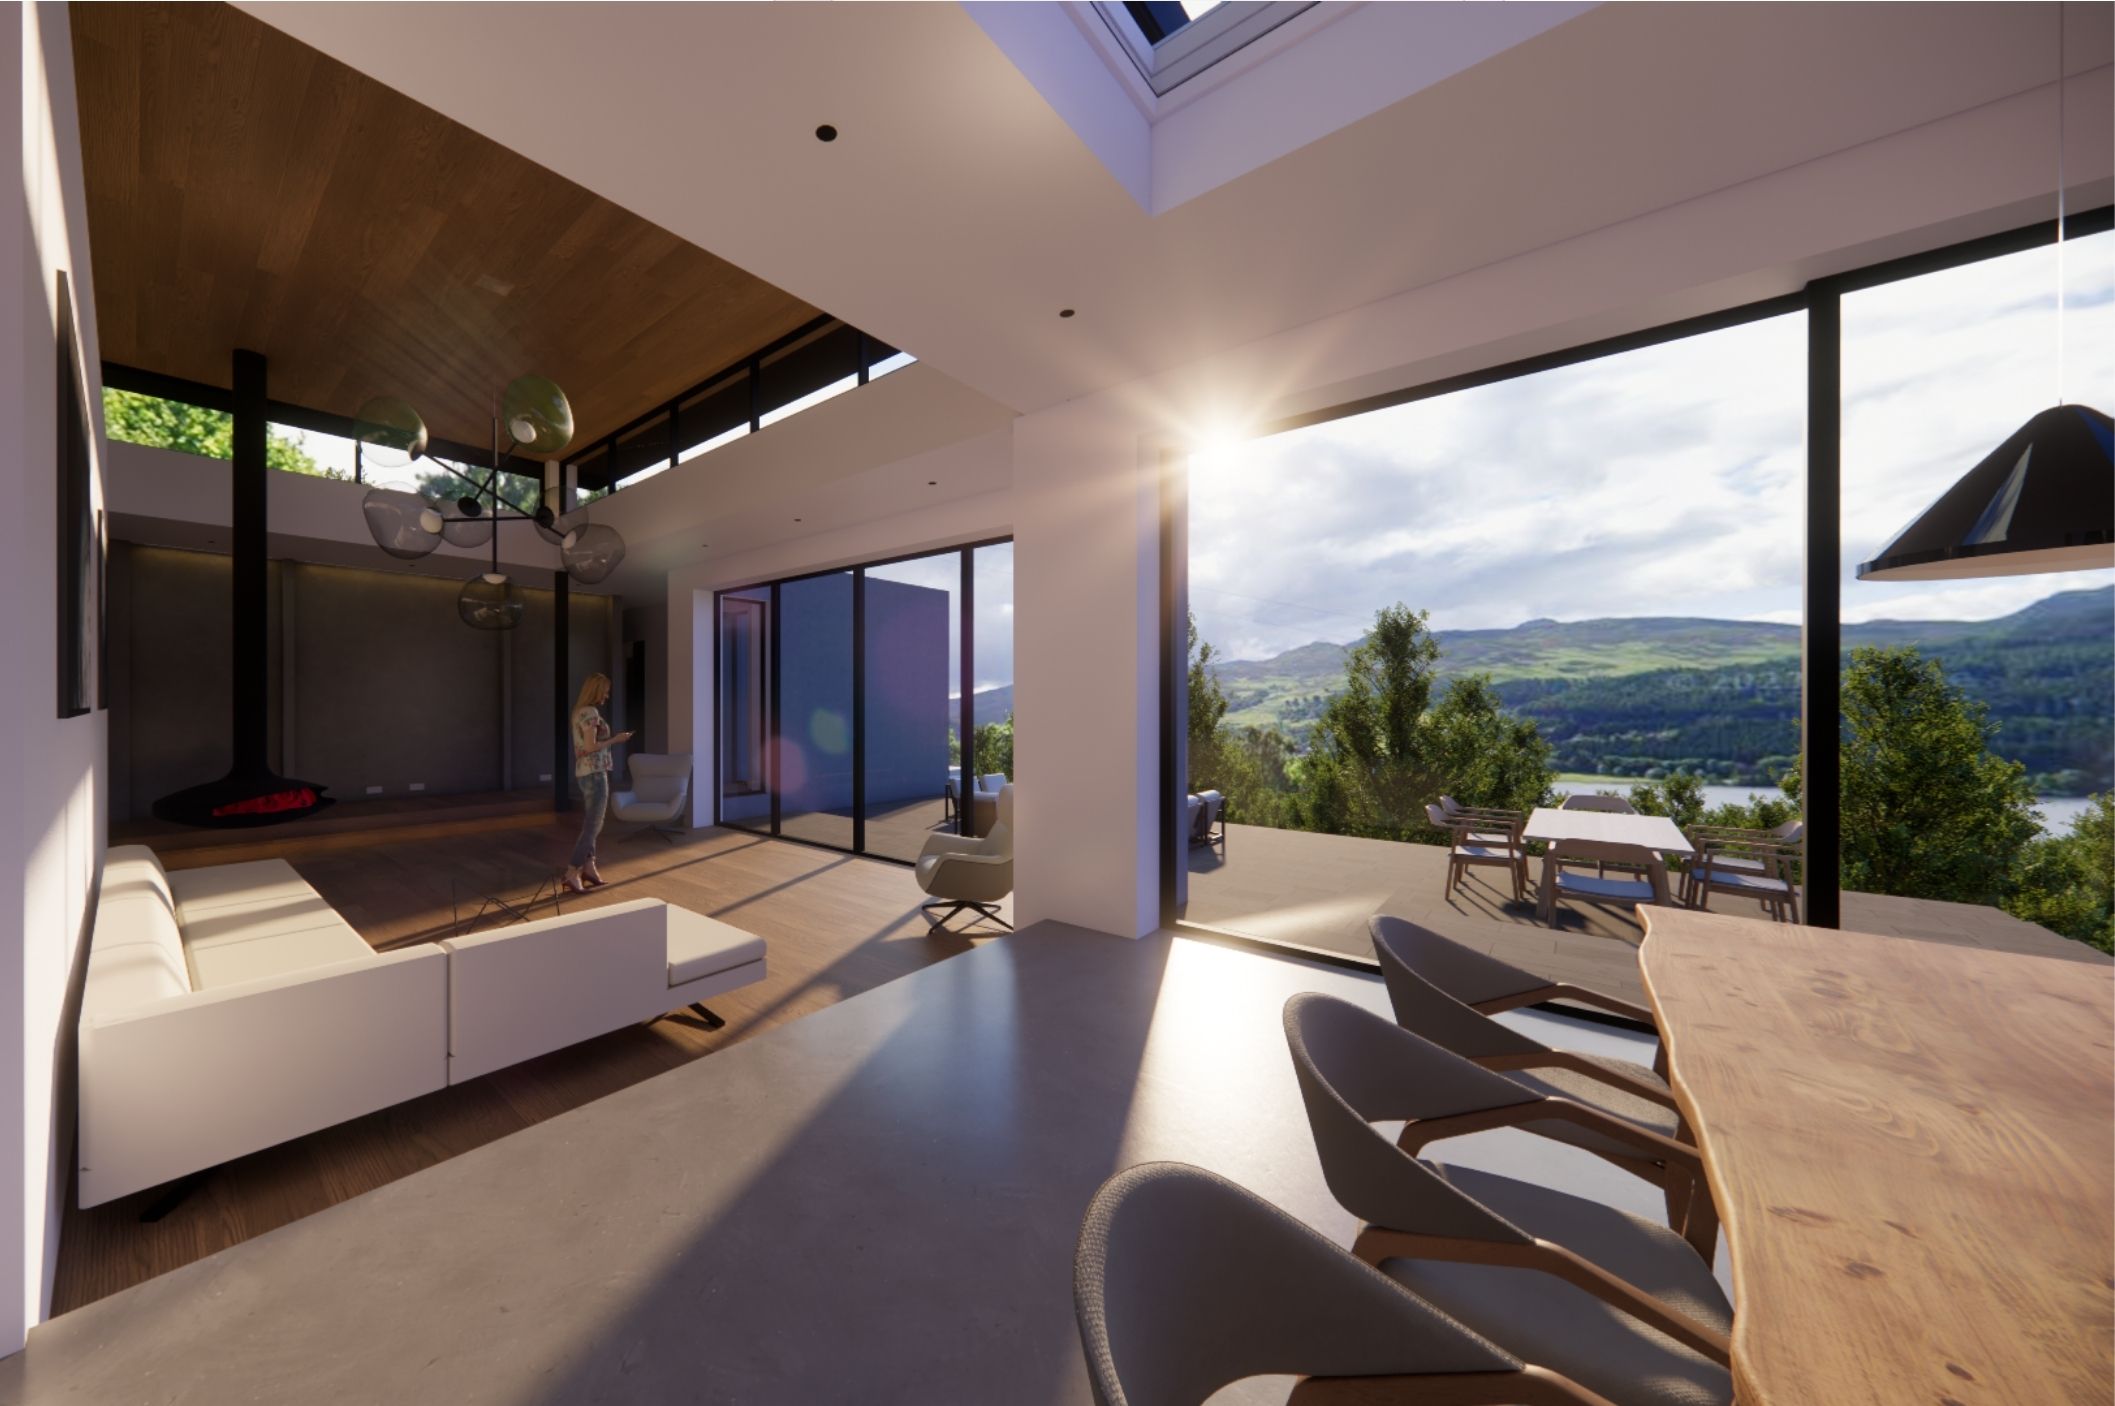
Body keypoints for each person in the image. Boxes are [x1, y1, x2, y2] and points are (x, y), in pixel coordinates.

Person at [565, 673, 632, 893]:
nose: (607, 694)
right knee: (593, 824)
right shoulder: (590, 713)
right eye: (605, 690)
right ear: (596, 690)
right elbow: (591, 746)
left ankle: (589, 867)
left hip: (585, 773)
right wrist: (616, 739)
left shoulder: (578, 712)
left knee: (593, 821)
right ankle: (572, 871)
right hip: (595, 773)